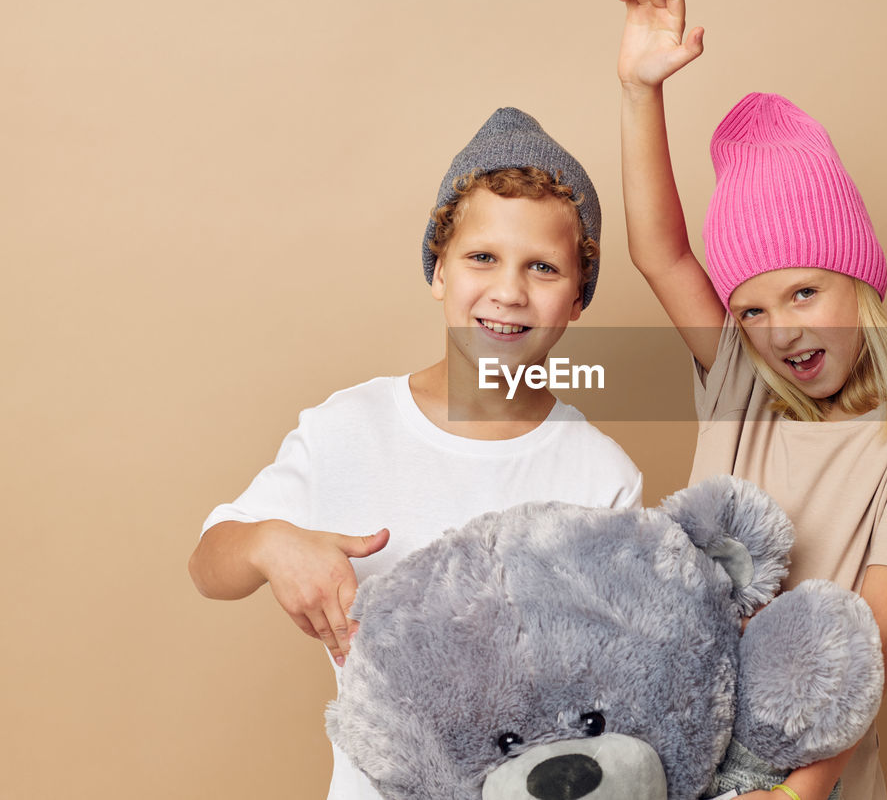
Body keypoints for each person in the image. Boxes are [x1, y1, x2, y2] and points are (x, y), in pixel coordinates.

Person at [188, 107, 643, 800]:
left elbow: (617, 696)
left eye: (543, 268)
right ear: (438, 270)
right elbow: (209, 563)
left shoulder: (601, 475)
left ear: (578, 297)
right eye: (482, 257)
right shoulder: (349, 427)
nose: (509, 291)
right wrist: (270, 543)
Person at [616, 0, 887, 800]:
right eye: (750, 308)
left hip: (814, 783)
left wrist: (797, 793)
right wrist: (639, 90)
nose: (782, 330)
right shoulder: (742, 383)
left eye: (804, 293)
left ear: (859, 280)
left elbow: (878, 641)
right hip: (677, 764)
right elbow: (660, 253)